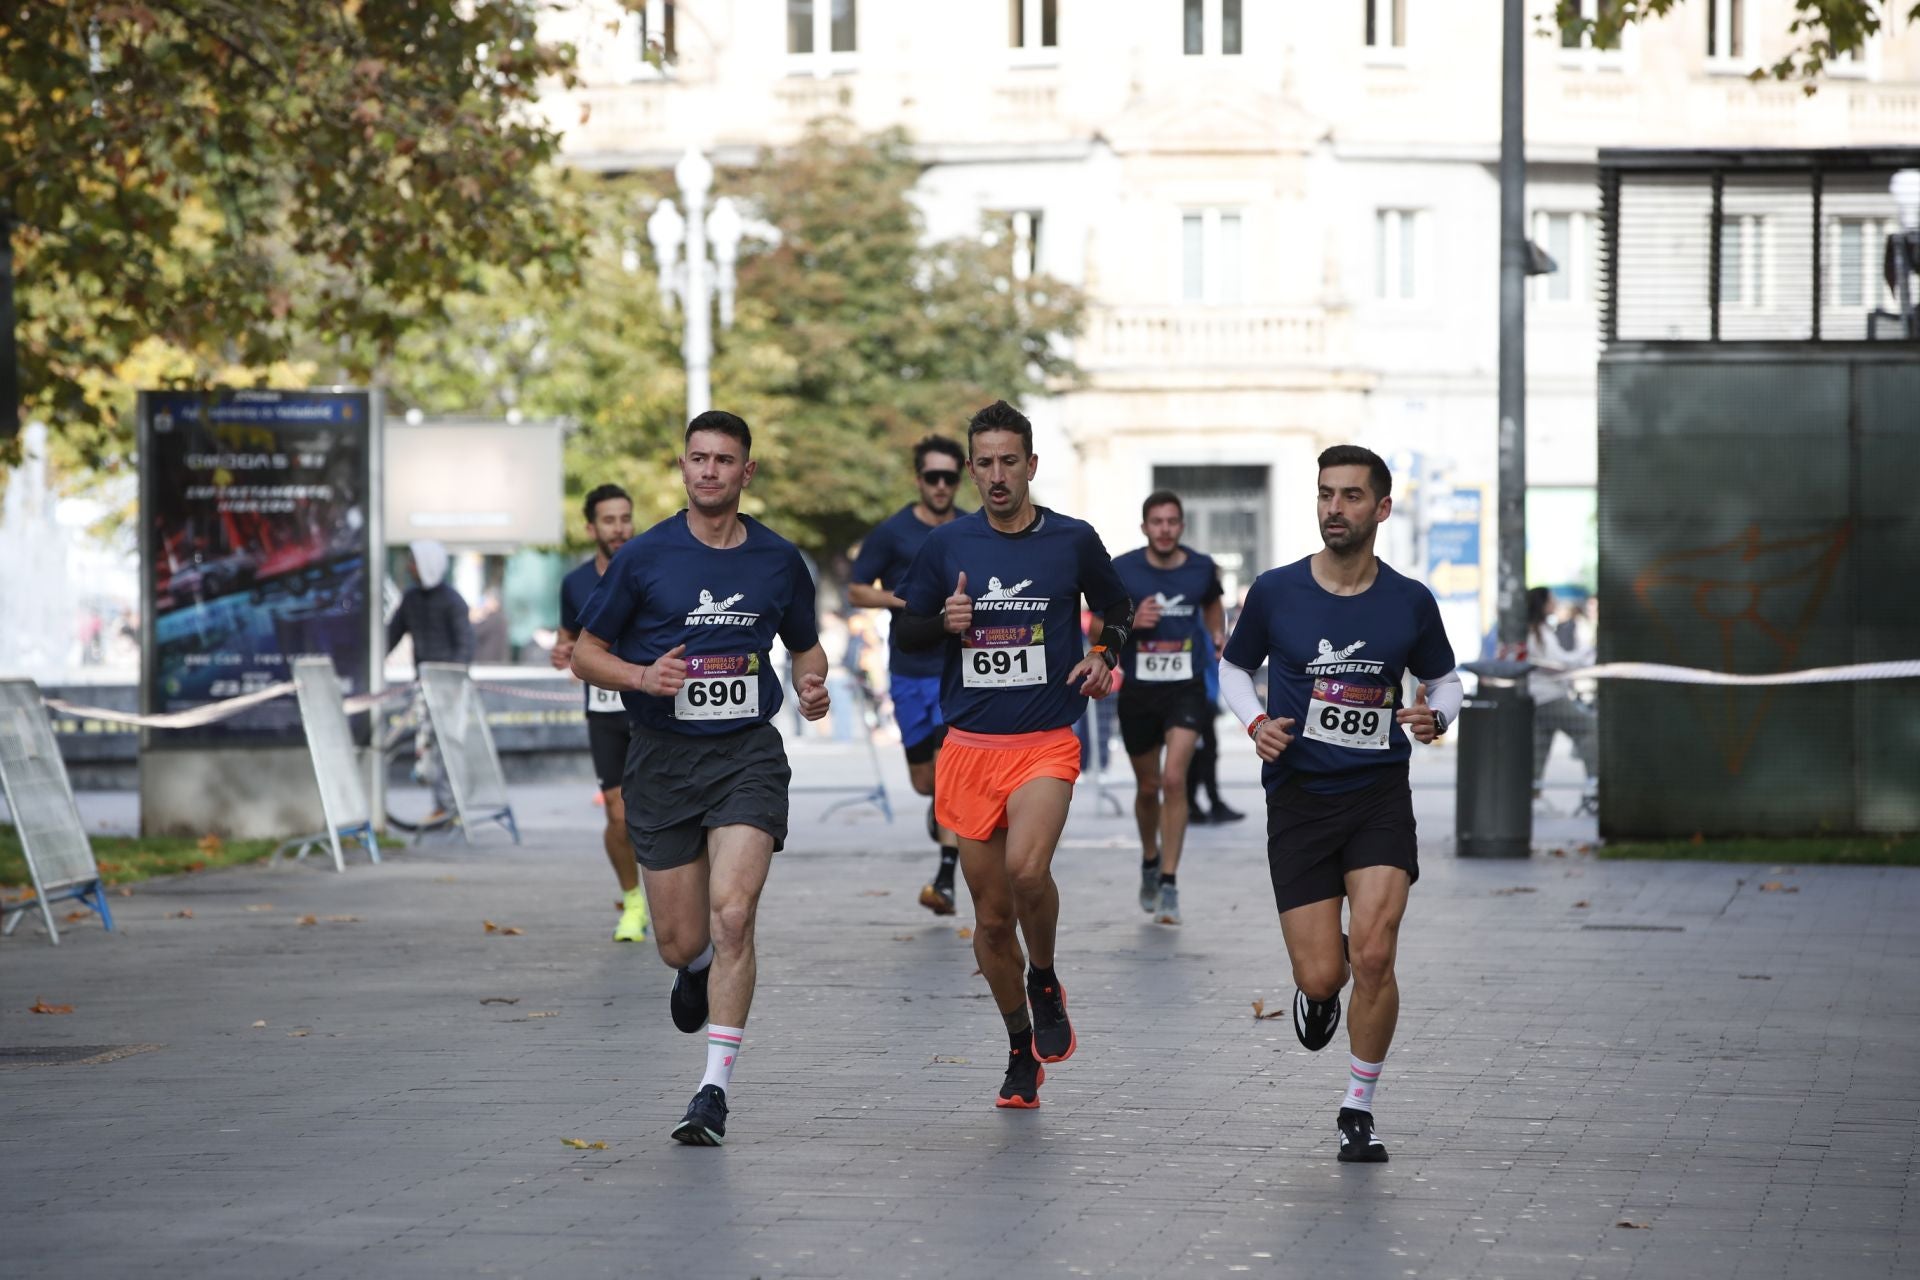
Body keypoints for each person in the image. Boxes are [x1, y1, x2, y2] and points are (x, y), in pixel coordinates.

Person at [570, 412, 830, 1147]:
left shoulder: (778, 561)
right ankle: (698, 967)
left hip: (746, 754)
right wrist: (640, 676)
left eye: (725, 461)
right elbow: (587, 653)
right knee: (681, 944)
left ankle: (712, 1091)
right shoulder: (645, 557)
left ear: (747, 473)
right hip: (660, 758)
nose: (710, 471)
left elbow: (808, 651)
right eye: (698, 459)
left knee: (735, 913)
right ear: (681, 468)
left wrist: (812, 687)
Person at [1218, 445, 1462, 1164]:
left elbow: (1446, 681)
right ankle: (1319, 995)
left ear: (1381, 508)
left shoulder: (1410, 600)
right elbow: (1233, 668)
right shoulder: (1276, 591)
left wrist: (1436, 716)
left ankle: (1358, 1107)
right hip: (1299, 799)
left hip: (1378, 796)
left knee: (1378, 952)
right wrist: (1256, 724)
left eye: (1352, 496)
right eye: (1326, 494)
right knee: (1324, 973)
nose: (1335, 508)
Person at [896, 400, 1132, 1110]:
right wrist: (944, 622)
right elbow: (908, 636)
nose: (997, 476)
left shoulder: (1072, 539)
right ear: (972, 471)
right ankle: (1017, 1047)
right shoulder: (946, 548)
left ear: (1032, 465)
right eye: (985, 464)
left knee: (1029, 871)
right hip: (968, 749)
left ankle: (1046, 974)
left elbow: (1116, 610)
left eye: (1010, 462)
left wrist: (1102, 653)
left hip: (1044, 742)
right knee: (992, 919)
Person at [847, 435, 966, 913]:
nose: (941, 485)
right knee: (926, 782)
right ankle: (944, 816)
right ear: (919, 480)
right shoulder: (893, 532)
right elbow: (857, 590)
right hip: (909, 668)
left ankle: (945, 878)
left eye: (950, 477)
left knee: (951, 774)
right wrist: (902, 598)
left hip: (957, 671)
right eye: (932, 477)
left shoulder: (971, 529)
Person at [1111, 491, 1227, 926]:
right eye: (1156, 522)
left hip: (1186, 687)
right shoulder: (1122, 569)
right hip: (1139, 691)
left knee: (1175, 780)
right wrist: (1129, 622)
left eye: (1171, 521)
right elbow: (1100, 625)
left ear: (1181, 526)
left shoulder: (1200, 567)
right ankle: (1149, 859)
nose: (1164, 529)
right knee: (1148, 787)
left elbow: (1213, 603)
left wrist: (1217, 635)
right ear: (1144, 527)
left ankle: (1170, 882)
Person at [553, 484, 648, 944]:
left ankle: (683, 897)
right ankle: (633, 901)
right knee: (617, 814)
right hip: (605, 708)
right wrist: (562, 651)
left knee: (667, 810)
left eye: (626, 518)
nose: (620, 528)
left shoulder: (653, 569)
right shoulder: (574, 583)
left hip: (653, 706)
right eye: (609, 520)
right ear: (592, 528)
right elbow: (568, 638)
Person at [386, 539, 473, 822]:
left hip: (451, 689)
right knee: (432, 749)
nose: (410, 567)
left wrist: (453, 680)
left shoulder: (452, 601)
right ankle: (442, 806)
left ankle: (455, 806)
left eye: (414, 561)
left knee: (452, 746)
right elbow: (390, 637)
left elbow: (464, 646)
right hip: (424, 687)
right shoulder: (411, 599)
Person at [1527, 586, 1598, 803]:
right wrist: (1585, 654)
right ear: (1543, 604)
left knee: (1540, 745)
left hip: (1539, 697)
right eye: (1552, 600)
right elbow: (1557, 662)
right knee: (1589, 728)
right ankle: (1594, 783)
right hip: (1549, 696)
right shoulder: (1537, 633)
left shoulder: (1537, 631)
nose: (1556, 604)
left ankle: (1533, 795)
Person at [1184, 627, 1245, 827]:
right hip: (1198, 696)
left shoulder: (1207, 625)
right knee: (1204, 753)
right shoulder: (1198, 623)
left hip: (1204, 694)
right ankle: (1202, 803)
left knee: (1202, 752)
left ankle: (1195, 803)